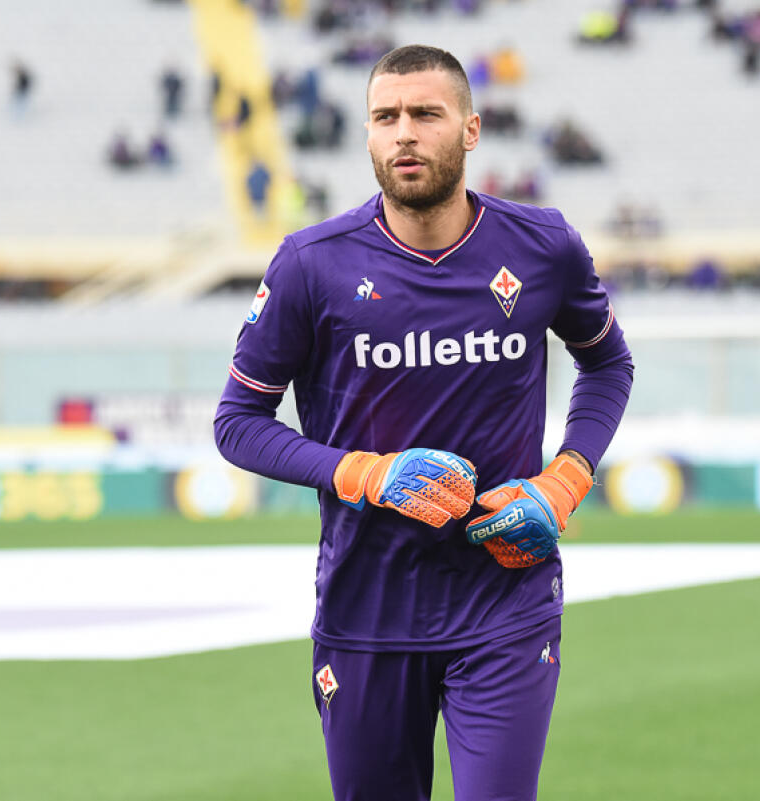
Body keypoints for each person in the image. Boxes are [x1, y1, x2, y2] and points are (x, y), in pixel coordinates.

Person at [213, 45, 633, 801]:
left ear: (470, 130)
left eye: (425, 115)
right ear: (367, 136)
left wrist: (567, 477)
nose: (404, 133)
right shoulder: (311, 264)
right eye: (385, 117)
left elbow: (608, 365)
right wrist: (363, 471)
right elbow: (238, 420)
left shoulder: (543, 247)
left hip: (505, 600)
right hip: (365, 610)